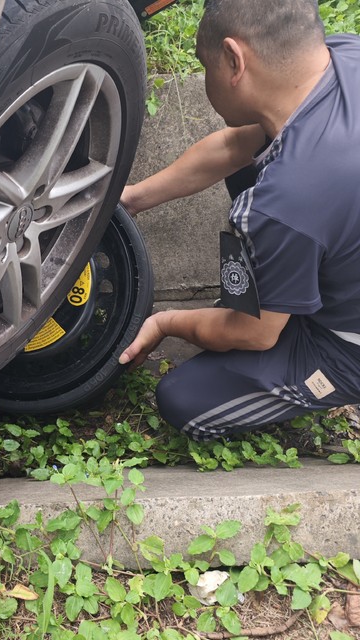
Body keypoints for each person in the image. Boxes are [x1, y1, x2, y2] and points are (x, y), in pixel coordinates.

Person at [118, 0, 360, 441]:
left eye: (202, 62)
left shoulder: (286, 200)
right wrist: (128, 200)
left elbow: (254, 334)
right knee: (255, 169)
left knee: (184, 400)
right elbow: (234, 148)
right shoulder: (343, 57)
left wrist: (164, 322)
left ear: (233, 60)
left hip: (347, 343)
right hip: (337, 236)